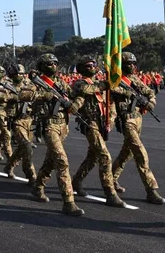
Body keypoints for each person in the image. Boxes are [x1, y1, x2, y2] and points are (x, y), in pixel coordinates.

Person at [30, 53, 84, 217]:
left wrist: (75, 104)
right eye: (48, 64)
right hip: (49, 126)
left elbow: (76, 95)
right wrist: (44, 95)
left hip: (63, 126)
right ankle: (68, 202)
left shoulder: (60, 83)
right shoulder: (37, 83)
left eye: (55, 63)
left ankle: (38, 186)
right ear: (42, 66)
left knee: (51, 161)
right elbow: (24, 95)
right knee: (61, 161)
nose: (53, 66)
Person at [69, 56, 126, 208]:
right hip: (90, 124)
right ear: (81, 69)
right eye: (88, 66)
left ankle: (76, 181)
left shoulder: (100, 84)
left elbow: (111, 103)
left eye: (93, 65)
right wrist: (105, 84)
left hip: (102, 123)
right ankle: (110, 193)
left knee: (92, 157)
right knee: (105, 157)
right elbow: (88, 90)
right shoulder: (80, 84)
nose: (92, 67)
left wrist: (111, 120)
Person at [110, 52, 165, 205]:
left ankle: (111, 179)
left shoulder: (134, 79)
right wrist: (131, 94)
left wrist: (150, 103)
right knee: (140, 153)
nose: (133, 66)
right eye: (129, 63)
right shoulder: (115, 81)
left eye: (134, 63)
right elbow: (115, 92)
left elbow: (150, 92)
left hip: (138, 119)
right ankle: (151, 189)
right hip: (127, 121)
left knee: (126, 153)